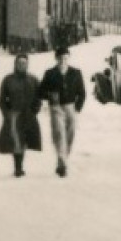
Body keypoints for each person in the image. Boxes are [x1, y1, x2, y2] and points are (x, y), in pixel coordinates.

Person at [39, 46, 86, 178]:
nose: (62, 60)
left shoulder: (76, 73)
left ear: (68, 58)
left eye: (65, 57)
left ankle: (63, 157)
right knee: (59, 133)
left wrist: (77, 108)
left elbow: (82, 93)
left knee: (70, 133)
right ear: (56, 58)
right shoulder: (50, 73)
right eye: (60, 58)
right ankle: (62, 161)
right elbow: (41, 91)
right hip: (56, 107)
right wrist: (49, 95)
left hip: (70, 106)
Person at [0, 53, 43, 178]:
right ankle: (18, 167)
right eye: (19, 62)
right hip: (14, 114)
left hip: (29, 114)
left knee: (25, 140)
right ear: (15, 64)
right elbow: (1, 100)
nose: (22, 65)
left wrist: (35, 110)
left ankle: (19, 165)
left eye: (24, 63)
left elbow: (39, 97)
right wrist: (7, 113)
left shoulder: (33, 79)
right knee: (16, 141)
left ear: (27, 64)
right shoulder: (8, 79)